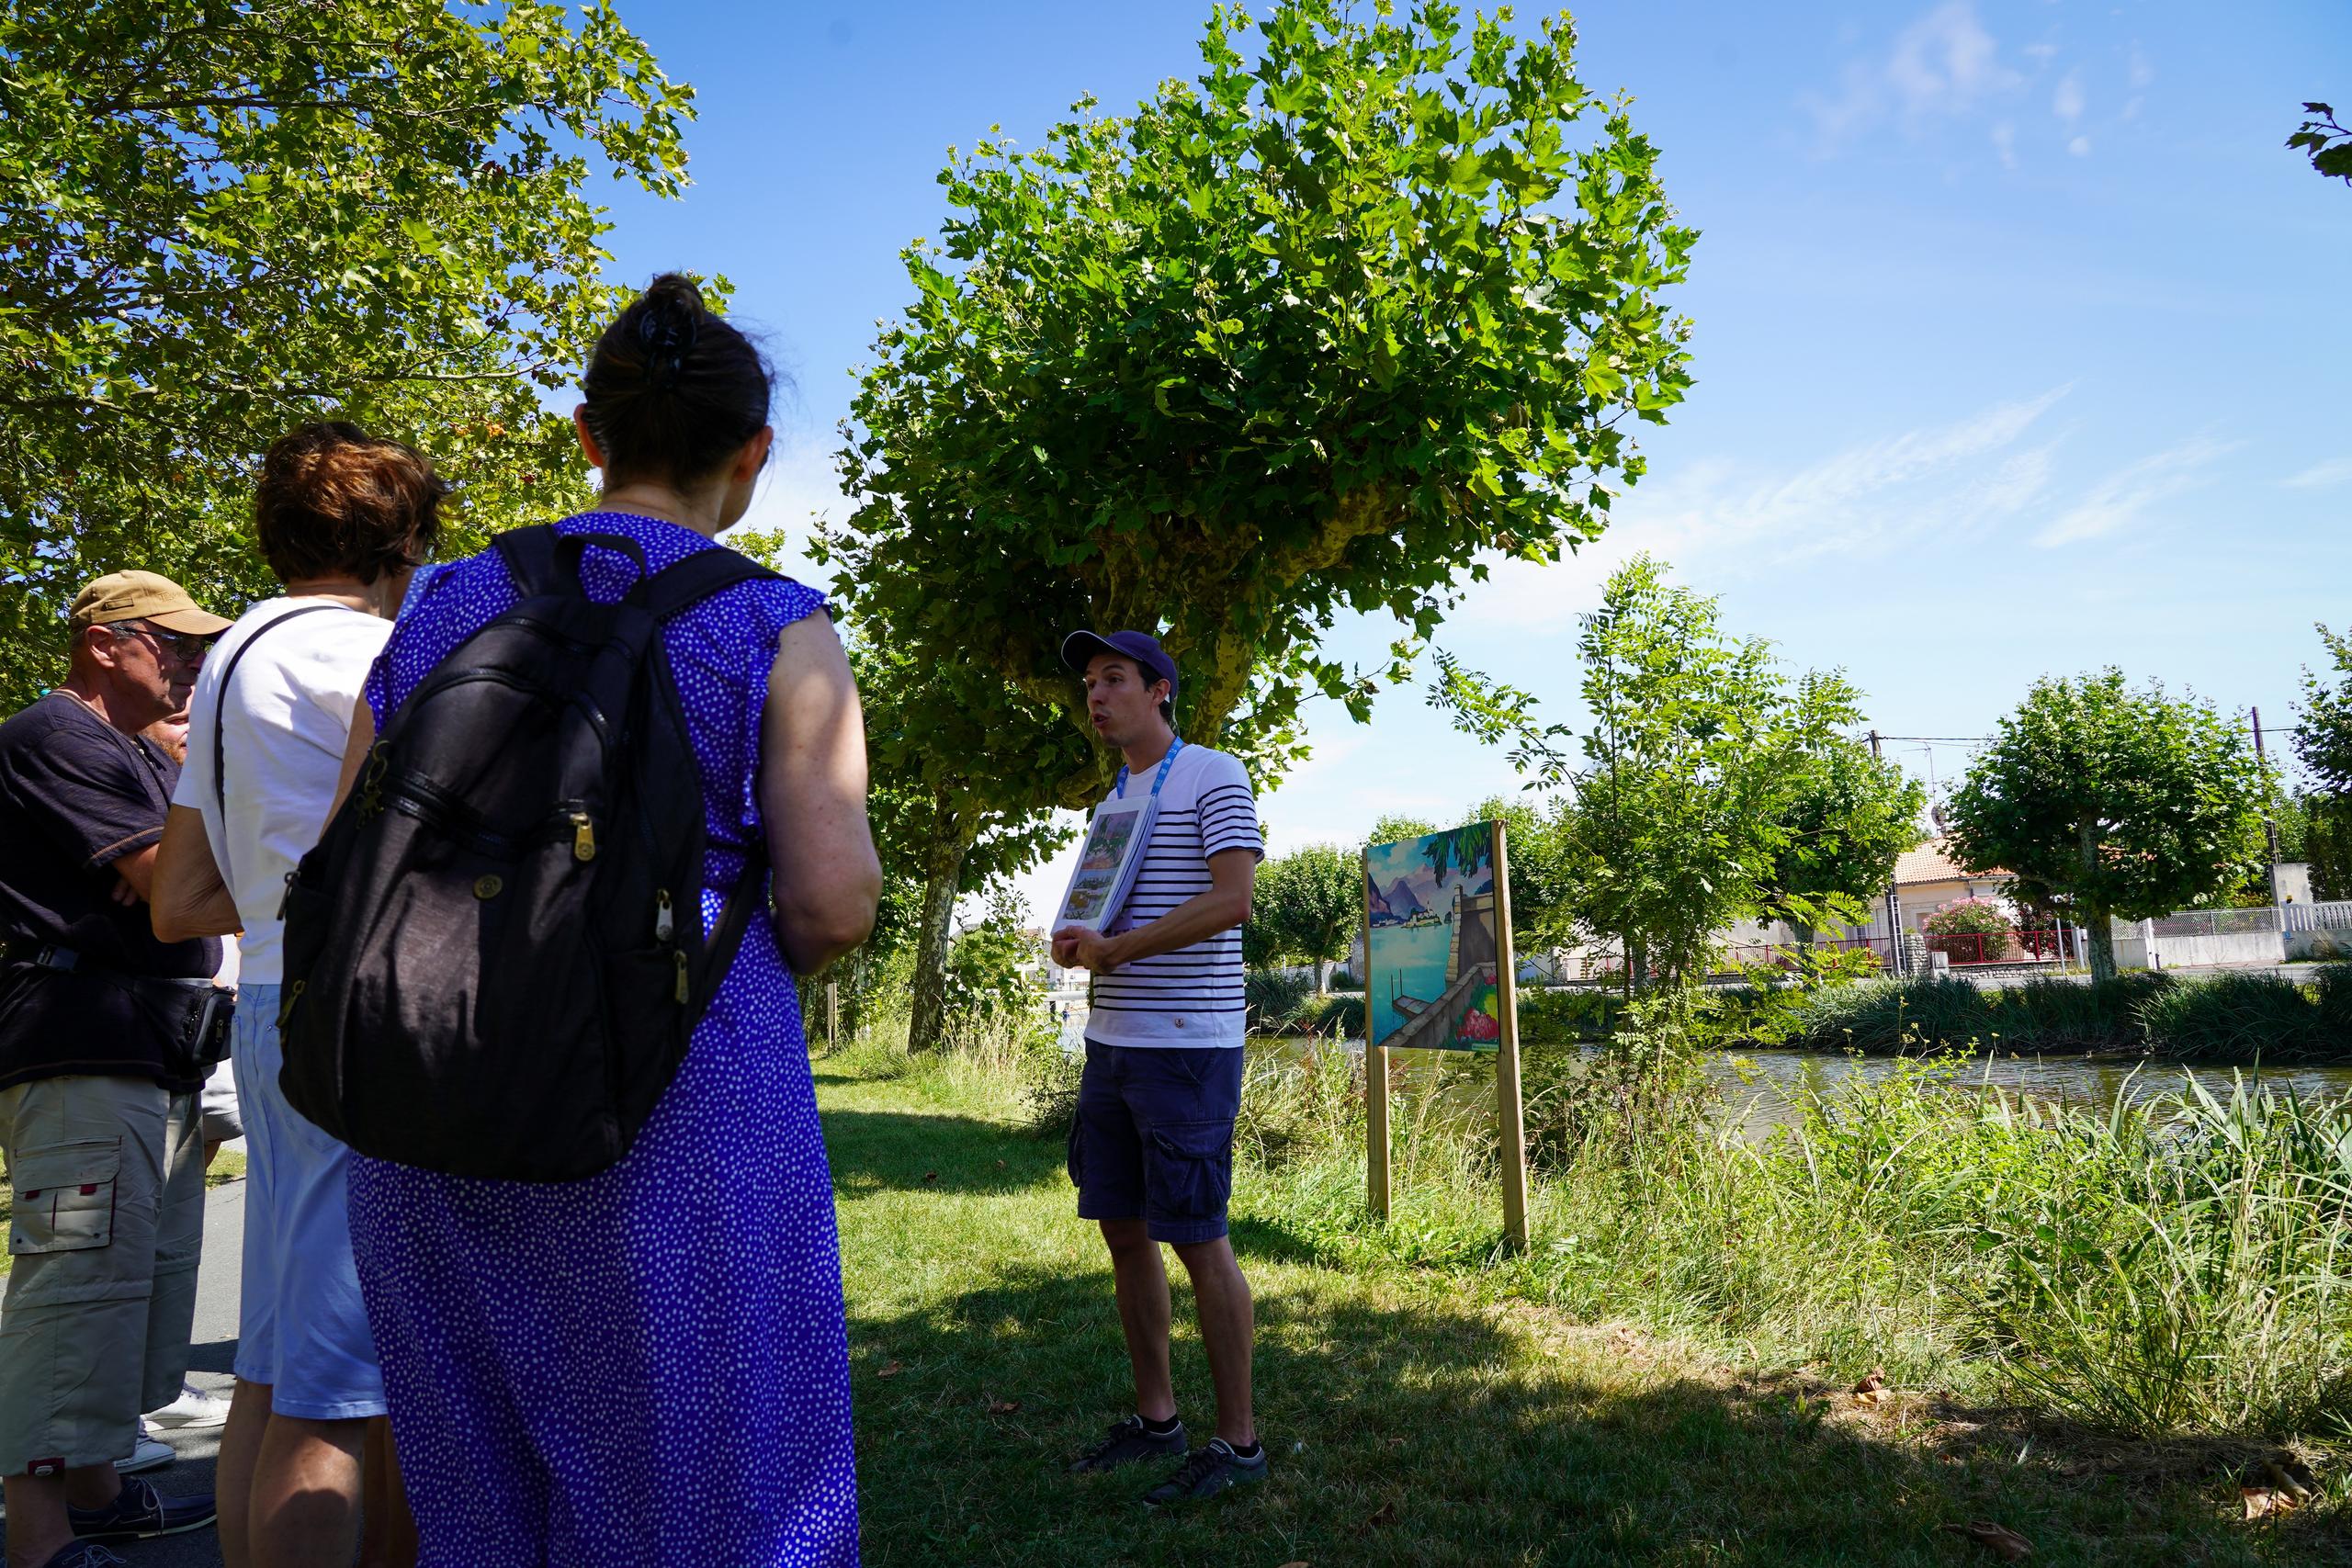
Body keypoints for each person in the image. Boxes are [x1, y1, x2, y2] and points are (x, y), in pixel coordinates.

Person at [335, 275, 879, 1565]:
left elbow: (347, 843)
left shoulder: (441, 605)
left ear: (590, 433)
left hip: (431, 1109)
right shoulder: (774, 624)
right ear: (753, 454)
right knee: (717, 1501)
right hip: (675, 1109)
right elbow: (831, 896)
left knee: (482, 1503)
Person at [151, 422, 442, 1568]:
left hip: (271, 1010)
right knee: (352, 1392)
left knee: (274, 1376)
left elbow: (178, 899)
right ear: (402, 537)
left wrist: (279, 895)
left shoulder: (231, 656)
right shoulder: (372, 655)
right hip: (357, 1021)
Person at [0, 571, 228, 1568]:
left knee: (136, 1280)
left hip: (143, 1045)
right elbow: (172, 887)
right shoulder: (58, 735)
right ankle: (40, 1540)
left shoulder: (131, 749)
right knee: (74, 1286)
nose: (187, 661)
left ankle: (93, 1491)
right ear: (102, 643)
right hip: (77, 1043)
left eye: (193, 646)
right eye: (167, 642)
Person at [1048, 628, 1267, 1505]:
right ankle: (1157, 1419)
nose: (1097, 695)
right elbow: (1100, 912)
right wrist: (1077, 939)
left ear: (1161, 690)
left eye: (1115, 679)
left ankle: (1240, 1444)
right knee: (1124, 1230)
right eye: (1091, 684)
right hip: (1114, 1043)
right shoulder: (1114, 799)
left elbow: (1234, 897)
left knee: (1197, 1237)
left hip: (1187, 1044)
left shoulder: (1214, 772)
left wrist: (1118, 948)